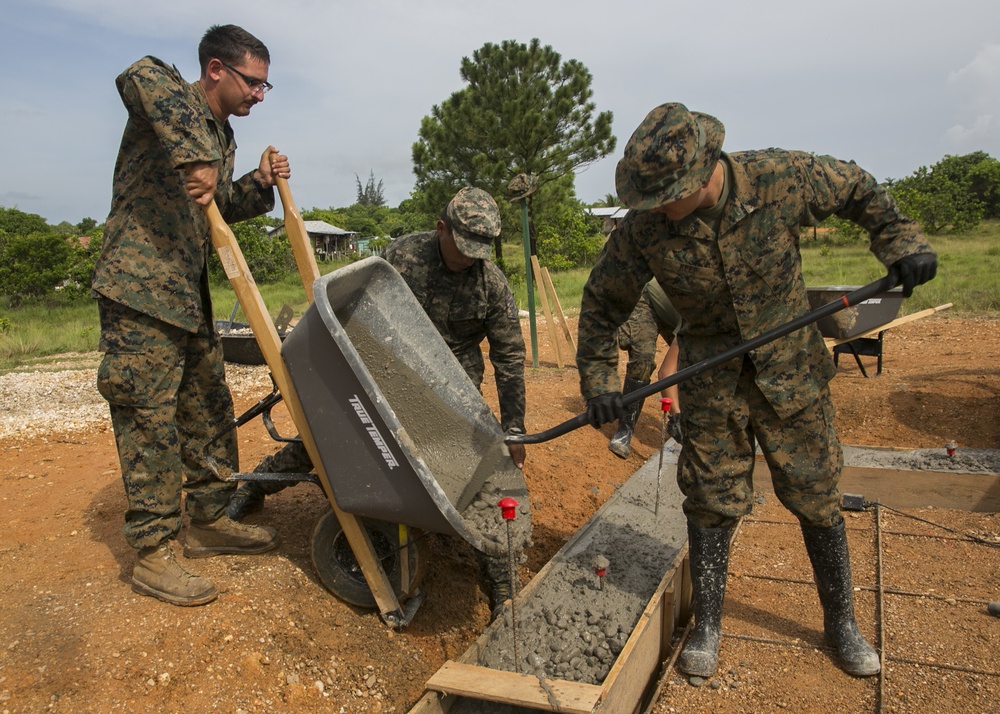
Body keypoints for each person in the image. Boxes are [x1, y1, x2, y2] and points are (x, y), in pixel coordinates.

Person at [576, 103, 936, 679]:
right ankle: (708, 624)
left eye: (668, 194)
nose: (658, 208)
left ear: (703, 172)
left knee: (816, 492)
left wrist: (900, 242)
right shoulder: (644, 229)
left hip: (790, 367)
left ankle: (841, 623)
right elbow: (600, 303)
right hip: (711, 379)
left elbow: (860, 190)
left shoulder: (780, 177)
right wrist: (598, 384)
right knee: (711, 498)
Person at [227, 186, 527, 620]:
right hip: (387, 373)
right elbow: (353, 309)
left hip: (451, 392)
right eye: (464, 248)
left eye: (481, 251)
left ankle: (500, 583)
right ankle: (256, 486)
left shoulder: (490, 284)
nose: (471, 259)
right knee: (334, 440)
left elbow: (510, 357)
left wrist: (514, 426)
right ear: (441, 228)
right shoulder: (401, 260)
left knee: (476, 469)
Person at [91, 24, 291, 607]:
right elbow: (137, 74)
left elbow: (219, 205)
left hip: (187, 295)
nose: (260, 94)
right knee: (150, 419)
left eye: (265, 85)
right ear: (215, 70)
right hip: (138, 290)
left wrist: (259, 181)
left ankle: (208, 517)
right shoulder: (167, 95)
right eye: (254, 82)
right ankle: (153, 553)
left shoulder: (222, 137)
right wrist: (195, 156)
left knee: (207, 406)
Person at [608, 279, 682, 458]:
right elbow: (666, 373)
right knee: (644, 359)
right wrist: (677, 416)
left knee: (693, 362)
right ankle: (624, 431)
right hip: (645, 299)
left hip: (673, 312)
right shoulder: (701, 318)